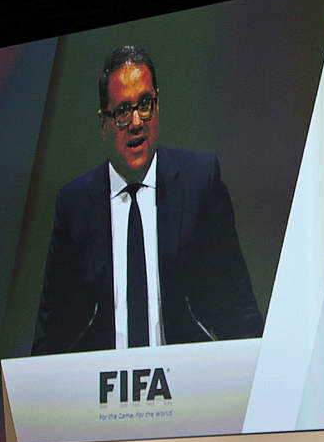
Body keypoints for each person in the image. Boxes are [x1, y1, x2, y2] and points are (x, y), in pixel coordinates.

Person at [32, 45, 262, 355]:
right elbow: (53, 335)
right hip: (105, 393)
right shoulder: (74, 205)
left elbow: (238, 311)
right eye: (123, 111)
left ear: (158, 105)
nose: (137, 121)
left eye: (145, 104)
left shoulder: (200, 183)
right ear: (104, 123)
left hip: (189, 386)